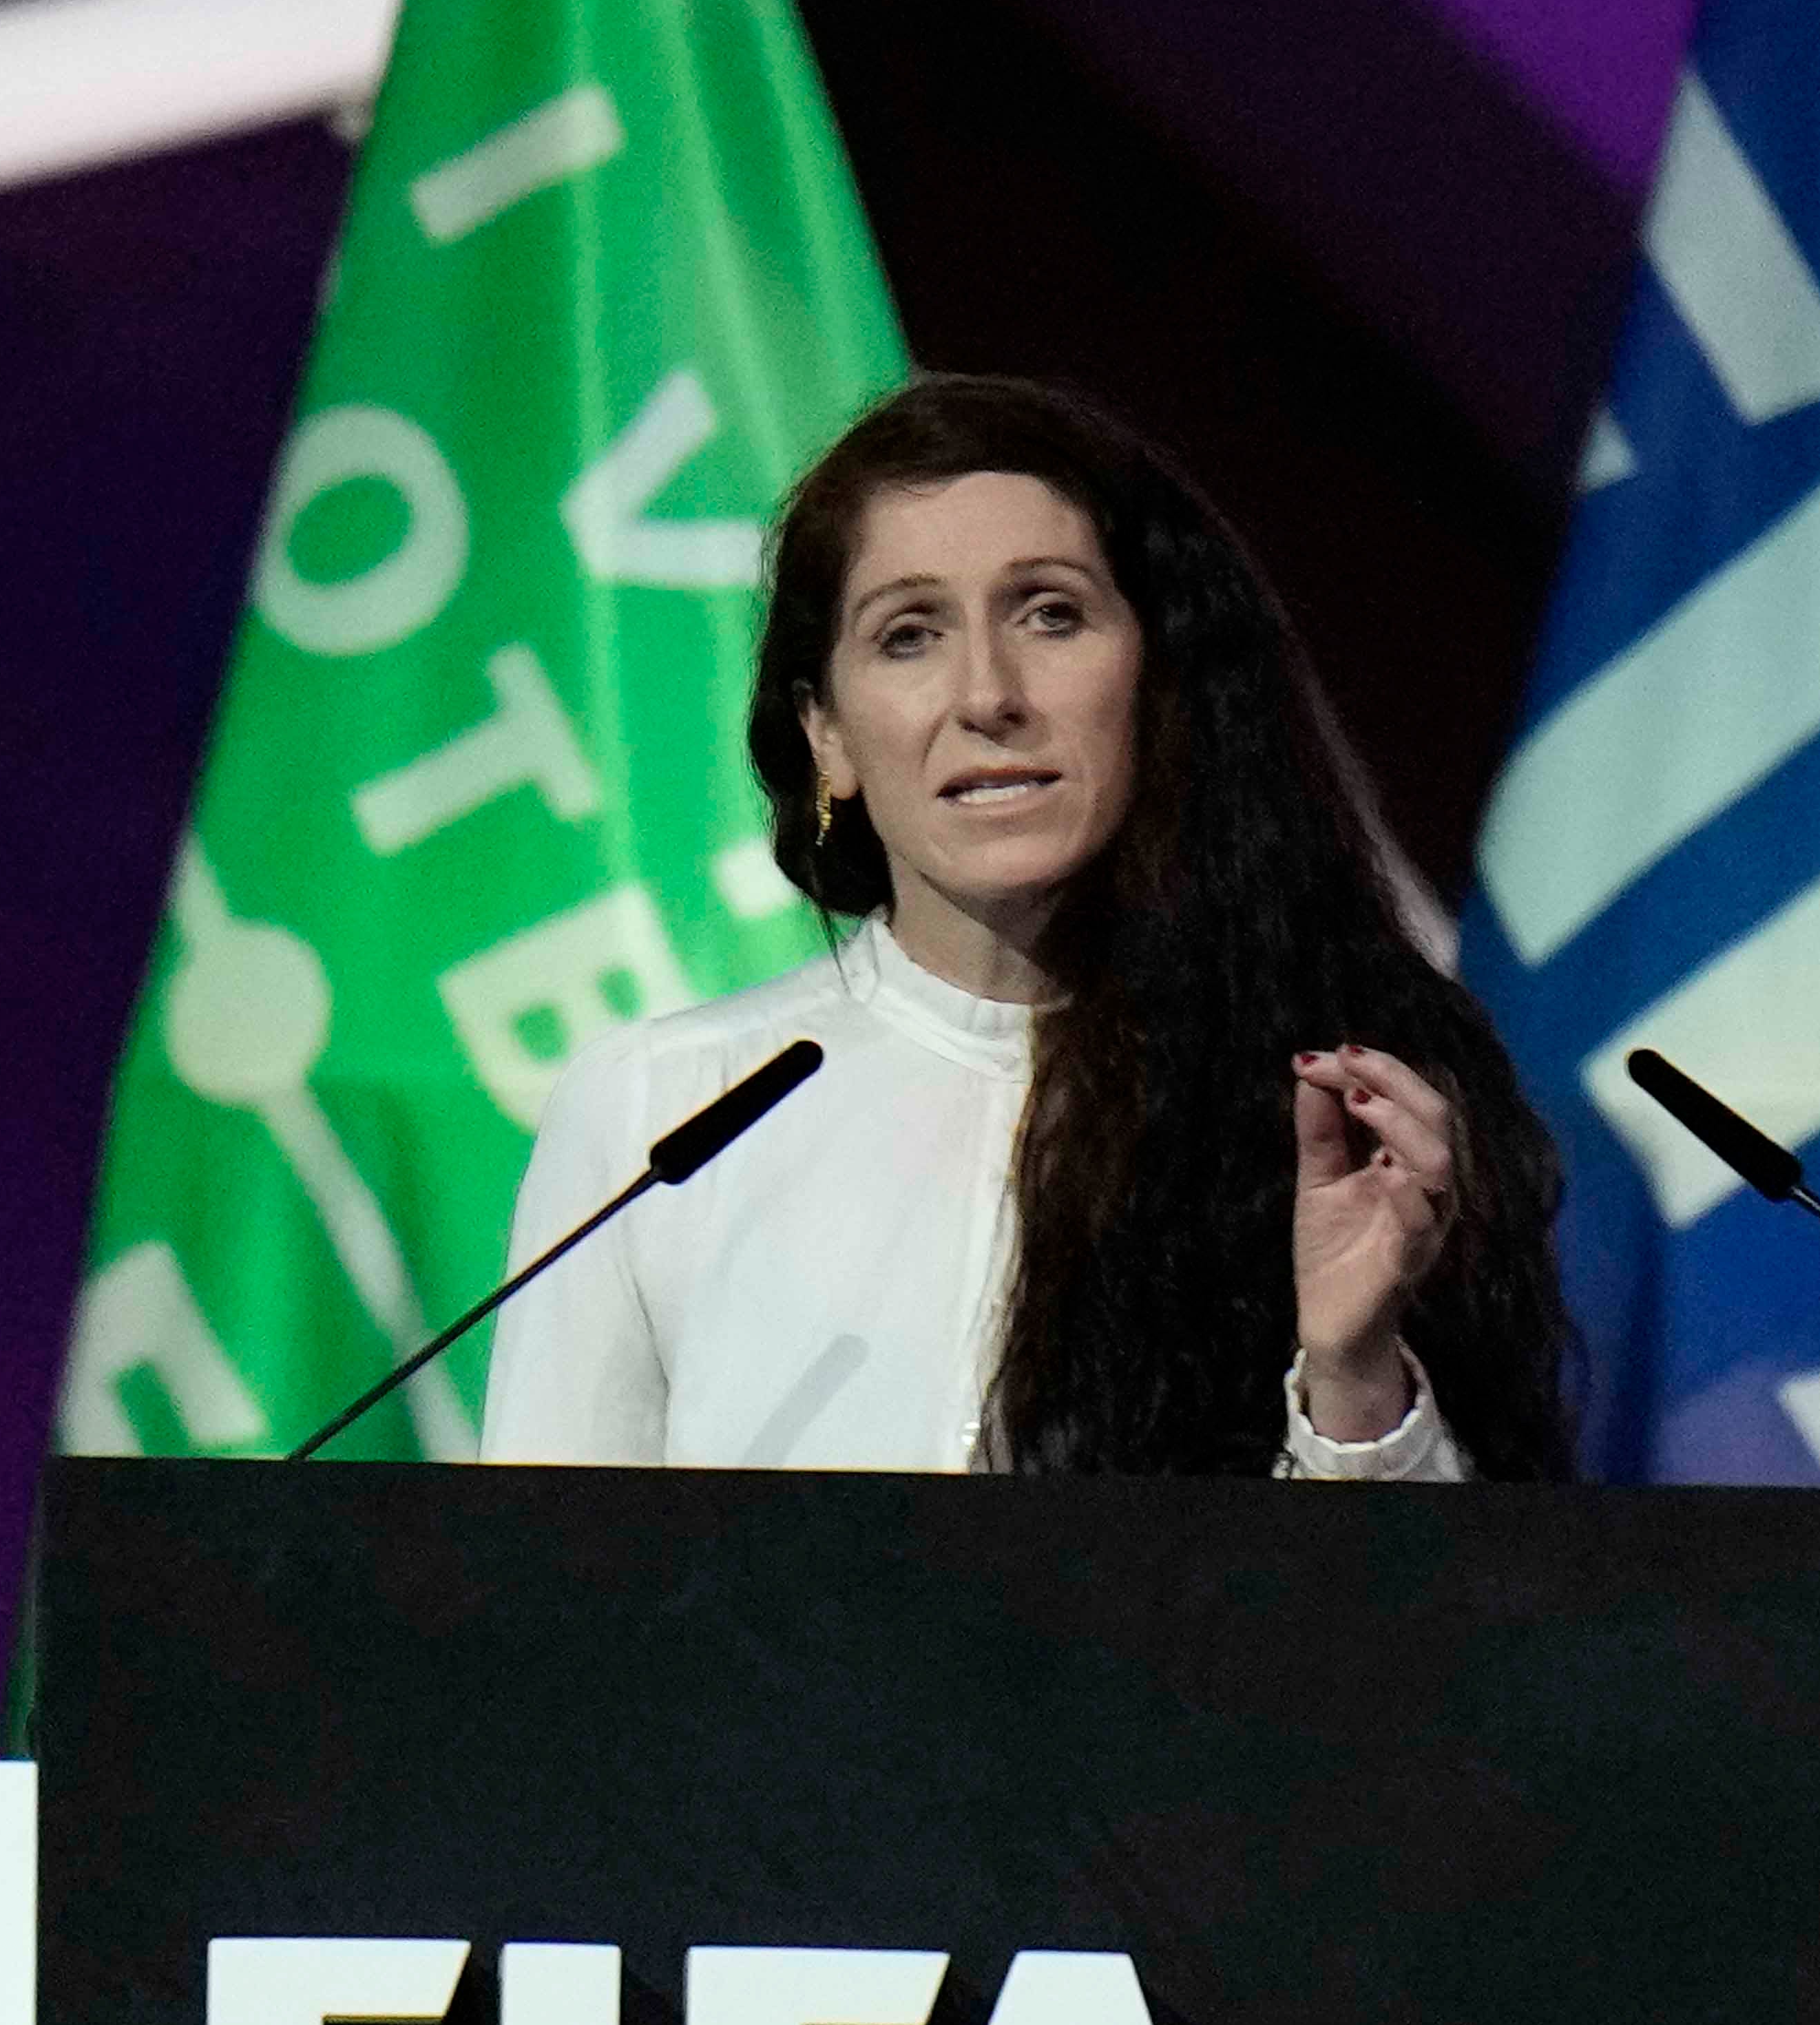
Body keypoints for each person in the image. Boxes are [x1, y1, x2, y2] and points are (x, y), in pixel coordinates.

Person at [477, 373, 1570, 1480]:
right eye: (909, 635)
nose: (988, 695)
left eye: (1051, 615)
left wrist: (1349, 1375)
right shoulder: (661, 1117)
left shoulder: (1343, 1117)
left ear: (1157, 681)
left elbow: (1418, 1639)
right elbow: (544, 1604)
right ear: (828, 738)